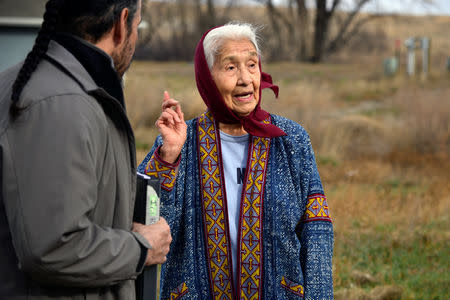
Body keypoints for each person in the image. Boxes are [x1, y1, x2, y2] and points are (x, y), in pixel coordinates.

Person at [138, 22, 334, 299]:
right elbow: (147, 224)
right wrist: (168, 156)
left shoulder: (291, 140)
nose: (245, 79)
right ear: (207, 77)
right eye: (230, 67)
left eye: (252, 65)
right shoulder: (181, 141)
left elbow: (316, 229)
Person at [0, 0, 172, 299]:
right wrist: (141, 249)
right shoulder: (62, 105)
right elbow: (53, 247)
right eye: (138, 25)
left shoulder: (67, 90)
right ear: (122, 24)